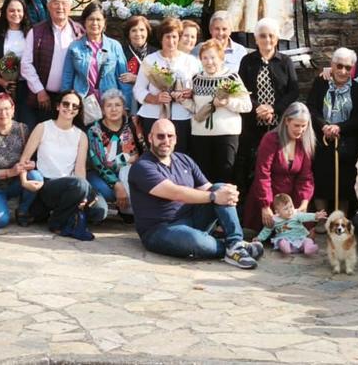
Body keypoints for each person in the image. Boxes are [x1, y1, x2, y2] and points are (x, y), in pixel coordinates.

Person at [127, 118, 262, 269]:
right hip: (160, 230)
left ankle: (235, 243)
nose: (166, 140)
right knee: (195, 241)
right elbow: (175, 193)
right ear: (150, 138)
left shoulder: (184, 160)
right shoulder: (142, 166)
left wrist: (228, 193)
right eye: (160, 136)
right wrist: (214, 196)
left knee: (221, 187)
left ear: (176, 139)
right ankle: (232, 249)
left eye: (170, 136)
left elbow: (209, 188)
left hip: (193, 219)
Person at [14, 89, 109, 240]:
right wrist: (24, 181)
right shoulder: (43, 127)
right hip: (47, 184)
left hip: (71, 186)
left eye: (75, 106)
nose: (70, 108)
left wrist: (83, 195)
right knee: (79, 185)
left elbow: (80, 169)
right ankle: (57, 222)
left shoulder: (81, 136)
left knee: (99, 211)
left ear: (78, 111)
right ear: (58, 106)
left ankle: (62, 212)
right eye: (66, 104)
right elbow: (24, 159)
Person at [237, 18, 300, 185]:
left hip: (278, 123)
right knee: (253, 164)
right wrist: (258, 108)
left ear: (277, 38)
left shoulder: (285, 62)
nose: (267, 39)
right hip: (252, 123)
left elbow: (294, 91)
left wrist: (273, 109)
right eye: (263, 36)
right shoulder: (247, 61)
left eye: (271, 35)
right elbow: (240, 90)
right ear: (256, 39)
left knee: (278, 163)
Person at [306, 48, 358, 214]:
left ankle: (342, 218)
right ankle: (321, 217)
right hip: (322, 138)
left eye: (348, 67)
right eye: (339, 66)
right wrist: (324, 125)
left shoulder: (357, 89)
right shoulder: (321, 83)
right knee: (321, 177)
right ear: (332, 65)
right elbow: (311, 107)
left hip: (346, 141)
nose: (343, 71)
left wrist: (339, 127)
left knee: (345, 181)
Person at [243, 102, 316, 232]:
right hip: (268, 196)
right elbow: (263, 174)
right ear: (287, 121)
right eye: (296, 125)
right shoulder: (271, 139)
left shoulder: (304, 142)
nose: (300, 130)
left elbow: (306, 177)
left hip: (292, 201)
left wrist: (304, 202)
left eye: (303, 126)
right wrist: (265, 205)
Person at [19, 0, 84, 130]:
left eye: (64, 3)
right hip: (44, 98)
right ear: (48, 6)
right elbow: (26, 64)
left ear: (70, 7)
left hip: (71, 99)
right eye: (55, 3)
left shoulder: (79, 32)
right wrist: (39, 90)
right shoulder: (36, 32)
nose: (60, 7)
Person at [189, 40, 252, 185]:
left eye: (213, 58)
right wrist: (182, 100)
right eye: (205, 58)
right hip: (201, 134)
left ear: (221, 59)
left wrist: (227, 103)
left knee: (225, 176)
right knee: (204, 179)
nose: (209, 62)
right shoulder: (196, 79)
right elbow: (195, 107)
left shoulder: (231, 78)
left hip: (226, 134)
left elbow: (247, 106)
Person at [135, 16, 199, 149]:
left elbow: (199, 87)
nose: (171, 41)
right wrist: (155, 98)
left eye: (174, 37)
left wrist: (190, 93)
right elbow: (138, 89)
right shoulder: (150, 61)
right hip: (153, 115)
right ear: (161, 38)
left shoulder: (191, 61)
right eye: (167, 37)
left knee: (180, 154)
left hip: (182, 116)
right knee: (155, 153)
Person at [61, 2, 129, 119]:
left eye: (98, 19)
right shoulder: (75, 47)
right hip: (84, 102)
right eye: (91, 19)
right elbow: (67, 77)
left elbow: (123, 78)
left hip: (110, 103)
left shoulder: (114, 46)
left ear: (104, 22)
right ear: (84, 22)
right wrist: (66, 103)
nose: (95, 23)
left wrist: (126, 106)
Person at [85, 88, 145, 220]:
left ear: (124, 108)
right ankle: (99, 203)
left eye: (118, 105)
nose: (113, 109)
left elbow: (144, 151)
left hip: (128, 172)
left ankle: (127, 209)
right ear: (102, 110)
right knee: (109, 192)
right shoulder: (95, 130)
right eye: (109, 106)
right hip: (100, 174)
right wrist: (117, 185)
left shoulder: (133, 124)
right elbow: (100, 165)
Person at [0, 93, 33, 228]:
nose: (3, 113)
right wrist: (9, 172)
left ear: (13, 110)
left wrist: (31, 164)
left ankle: (23, 211)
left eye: (7, 109)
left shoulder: (22, 129)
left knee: (36, 176)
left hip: (17, 182)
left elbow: (31, 156)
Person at [0, 0, 30, 120]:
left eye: (19, 10)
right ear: (5, 12)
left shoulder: (31, 33)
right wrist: (3, 82)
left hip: (27, 88)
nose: (16, 14)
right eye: (11, 10)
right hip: (1, 88)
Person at [256, 192, 323, 255]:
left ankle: (309, 248)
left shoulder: (296, 214)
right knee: (282, 241)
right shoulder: (274, 220)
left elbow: (306, 216)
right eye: (286, 209)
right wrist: (259, 238)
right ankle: (286, 249)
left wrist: (315, 216)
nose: (290, 210)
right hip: (285, 239)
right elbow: (267, 230)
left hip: (300, 238)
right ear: (277, 212)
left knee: (307, 240)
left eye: (291, 207)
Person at [121, 15, 152, 114]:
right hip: (128, 102)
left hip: (151, 102)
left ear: (147, 32)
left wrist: (137, 79)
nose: (138, 34)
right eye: (134, 30)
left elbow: (161, 82)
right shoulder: (121, 52)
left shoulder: (156, 53)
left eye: (142, 30)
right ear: (128, 33)